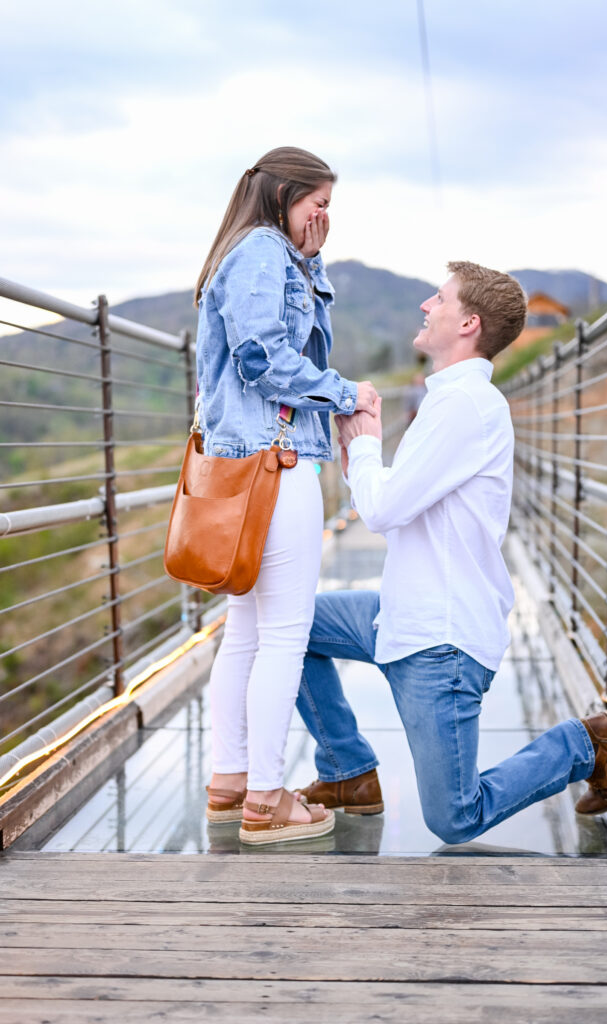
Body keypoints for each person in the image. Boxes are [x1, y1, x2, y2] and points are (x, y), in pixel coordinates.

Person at [295, 261, 607, 843]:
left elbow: (383, 510)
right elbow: (403, 499)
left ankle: (582, 744)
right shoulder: (448, 400)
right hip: (401, 613)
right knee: (285, 626)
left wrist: (365, 447)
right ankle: (348, 771)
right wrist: (363, 455)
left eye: (439, 298)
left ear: (468, 322)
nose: (425, 304)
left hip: (439, 639)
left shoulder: (466, 407)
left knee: (454, 817)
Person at [194, 146, 378, 845]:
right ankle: (268, 800)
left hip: (247, 462)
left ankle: (230, 782)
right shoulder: (262, 253)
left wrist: (313, 259)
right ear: (282, 197)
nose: (324, 217)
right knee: (282, 632)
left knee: (246, 629)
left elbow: (273, 336)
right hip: (273, 463)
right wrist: (343, 394)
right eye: (317, 203)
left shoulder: (262, 253)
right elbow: (262, 357)